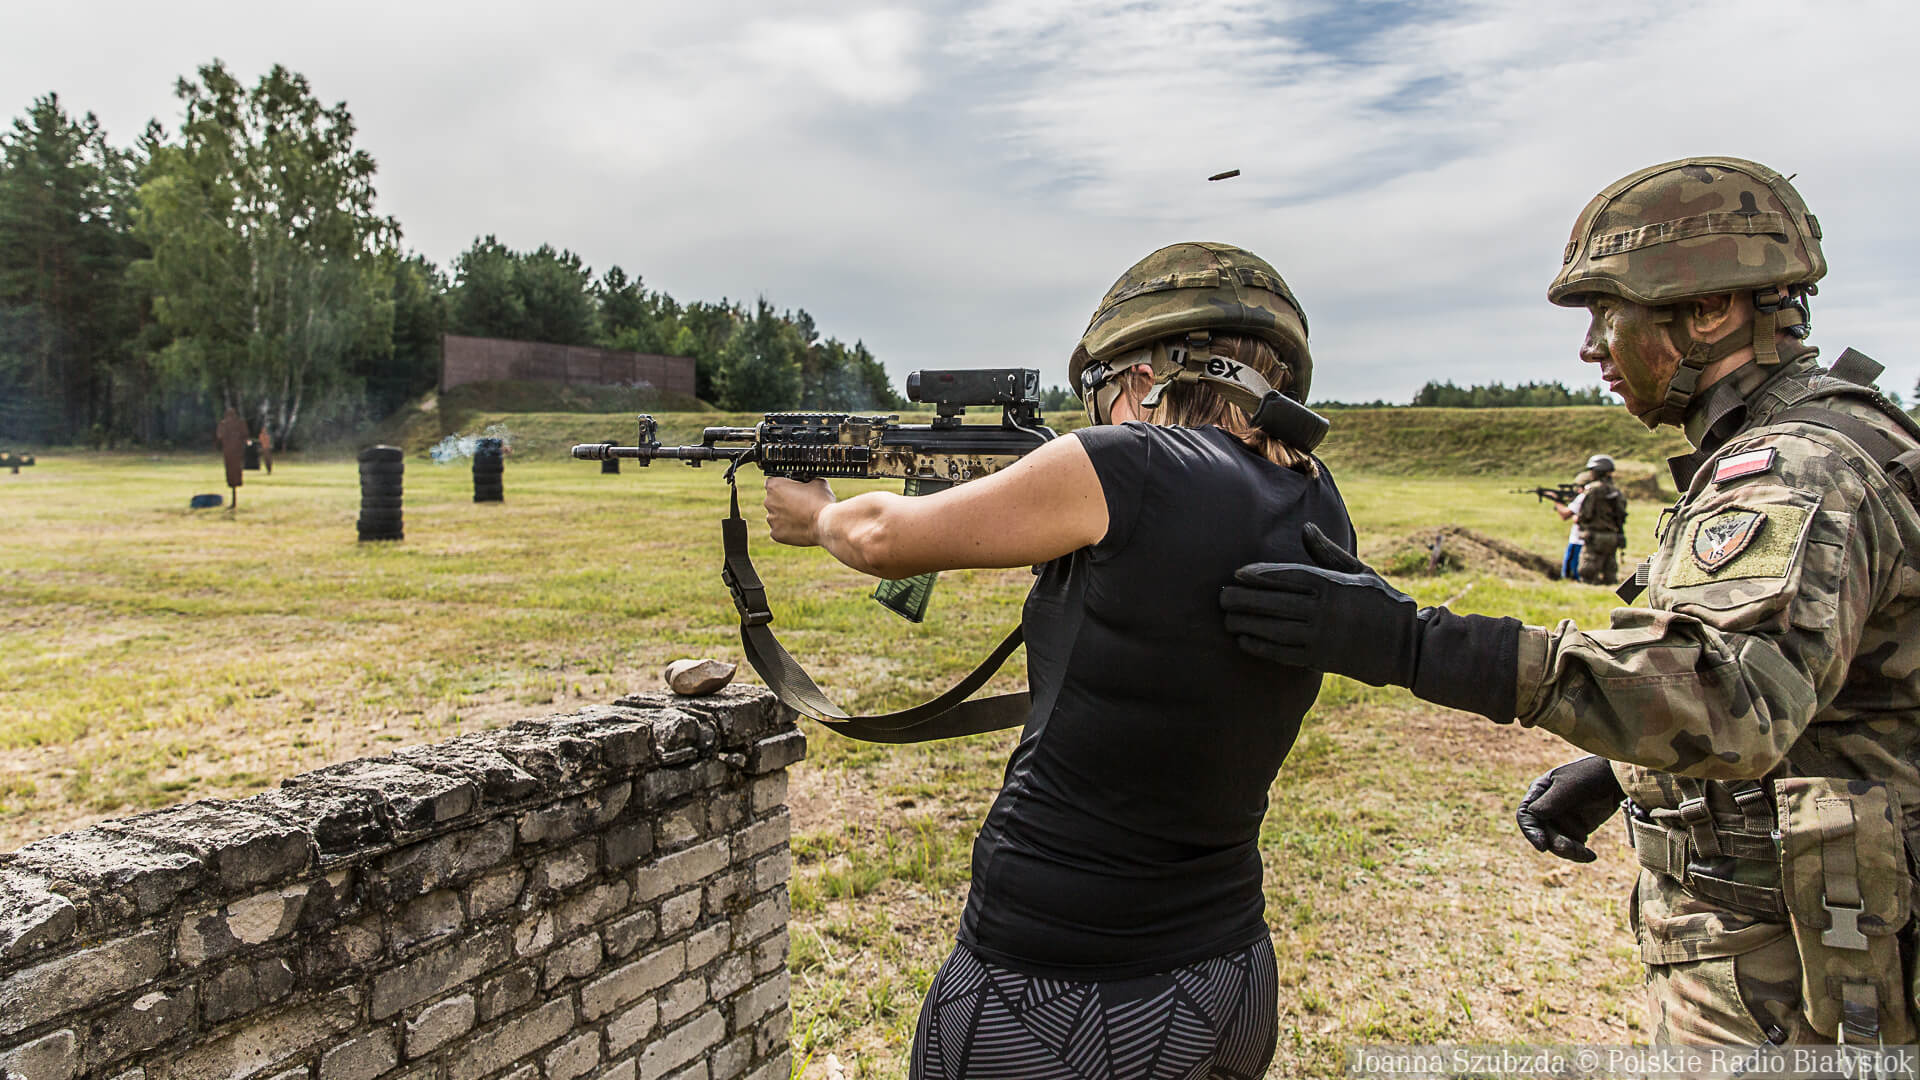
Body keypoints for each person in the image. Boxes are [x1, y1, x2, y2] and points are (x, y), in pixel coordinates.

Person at [1219, 157, 1920, 1045]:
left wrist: (1416, 643)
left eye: (1608, 314)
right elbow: (1827, 676)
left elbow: (1732, 700)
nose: (1592, 348)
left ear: (1710, 311)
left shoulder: (1790, 468)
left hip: (1794, 974)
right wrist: (1620, 771)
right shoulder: (1827, 434)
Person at [763, 242, 1352, 1079]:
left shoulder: (1131, 465)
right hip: (1230, 966)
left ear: (1145, 379)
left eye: (1099, 388)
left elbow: (882, 537)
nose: (1095, 414)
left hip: (1059, 986)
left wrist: (817, 516)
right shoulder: (1316, 497)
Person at [1568, 454, 1627, 584]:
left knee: (1588, 571)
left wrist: (1576, 517)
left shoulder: (1592, 490)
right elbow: (1622, 515)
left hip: (1594, 537)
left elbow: (1585, 515)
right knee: (1609, 570)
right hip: (1612, 537)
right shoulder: (1615, 491)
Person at [1552, 467, 1591, 581]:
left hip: (1578, 540)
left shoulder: (1583, 497)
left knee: (1571, 574)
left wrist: (1557, 501)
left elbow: (1565, 515)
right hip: (1592, 539)